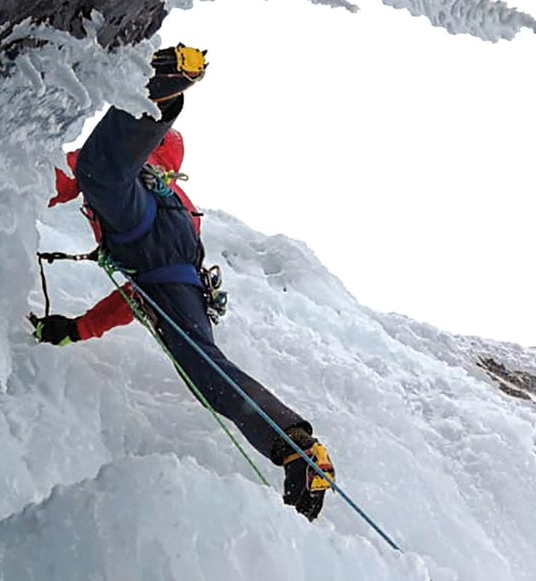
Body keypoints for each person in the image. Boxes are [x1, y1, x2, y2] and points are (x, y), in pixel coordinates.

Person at [32, 46, 336, 521]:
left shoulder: (147, 175)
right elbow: (141, 294)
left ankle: (158, 89)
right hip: (168, 271)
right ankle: (295, 449)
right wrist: (76, 329)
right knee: (203, 366)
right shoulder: (163, 203)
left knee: (97, 172)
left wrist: (10, 179)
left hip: (152, 233)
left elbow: (72, 177)